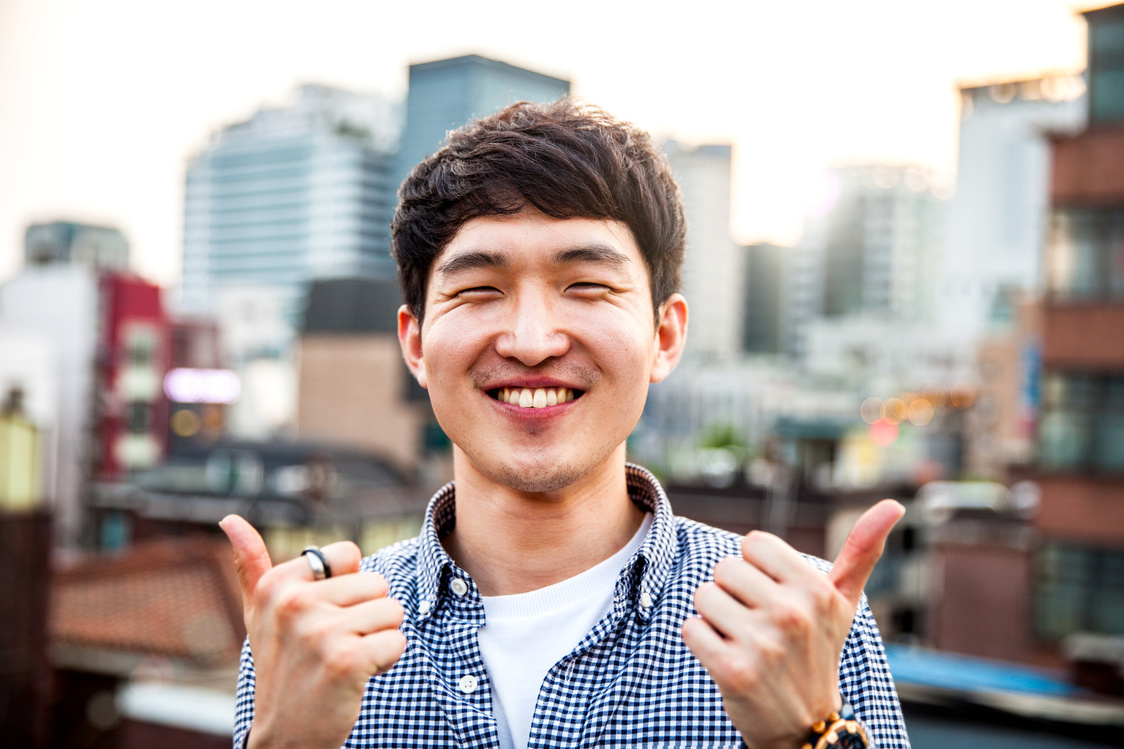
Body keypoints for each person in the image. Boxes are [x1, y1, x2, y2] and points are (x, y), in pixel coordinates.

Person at [221, 99, 910, 749]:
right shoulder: (309, 636)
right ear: (417, 344)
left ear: (664, 337)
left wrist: (811, 737)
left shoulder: (798, 618)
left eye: (586, 285)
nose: (530, 340)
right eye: (479, 289)